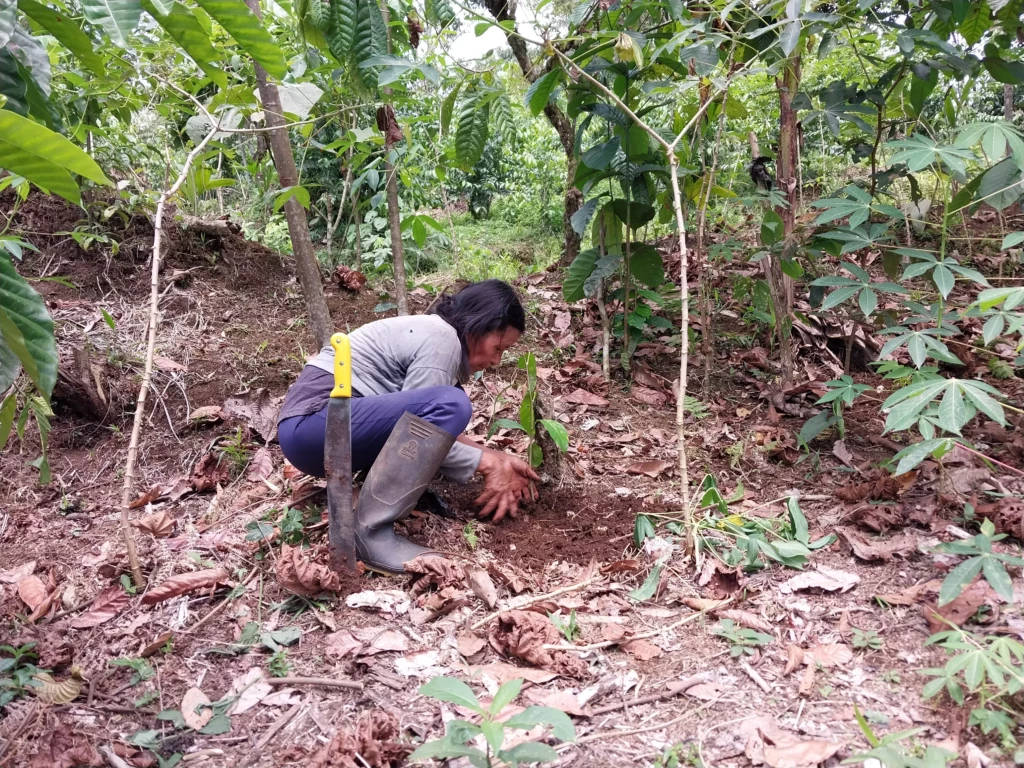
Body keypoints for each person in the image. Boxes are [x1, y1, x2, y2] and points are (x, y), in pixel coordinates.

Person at [278, 279, 540, 574]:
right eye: (498, 347)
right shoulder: (442, 339)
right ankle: (368, 533)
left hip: (317, 429)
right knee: (453, 404)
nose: (495, 360)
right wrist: (487, 464)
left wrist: (497, 457)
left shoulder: (435, 334)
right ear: (477, 326)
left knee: (449, 405)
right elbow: (420, 429)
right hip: (317, 421)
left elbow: (428, 430)